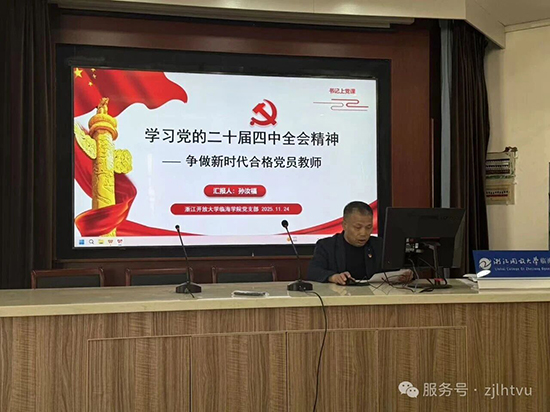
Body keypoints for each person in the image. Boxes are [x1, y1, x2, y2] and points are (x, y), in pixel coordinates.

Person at [307, 201, 412, 285]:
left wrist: (406, 275)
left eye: (368, 227)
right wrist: (333, 277)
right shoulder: (326, 246)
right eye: (358, 227)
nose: (363, 233)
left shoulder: (379, 245)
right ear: (344, 225)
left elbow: (398, 269)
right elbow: (313, 271)